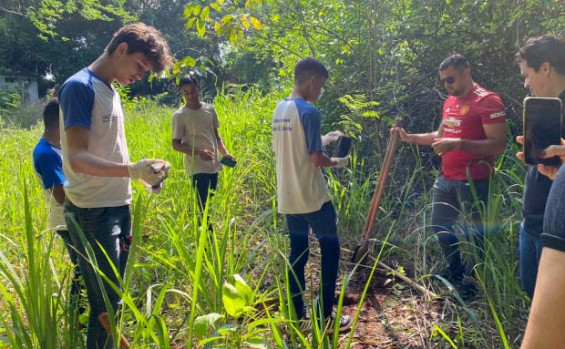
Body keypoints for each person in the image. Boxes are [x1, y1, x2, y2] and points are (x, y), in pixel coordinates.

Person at [59, 23, 172, 348]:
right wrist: (131, 171)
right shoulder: (79, 87)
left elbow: (107, 151)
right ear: (121, 48)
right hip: (93, 212)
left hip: (117, 207)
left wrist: (144, 172)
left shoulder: (110, 89)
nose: (140, 75)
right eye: (139, 66)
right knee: (106, 308)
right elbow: (77, 157)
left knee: (114, 304)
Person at [391, 54, 507, 289]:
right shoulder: (450, 101)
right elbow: (439, 135)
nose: (447, 86)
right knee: (440, 226)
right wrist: (409, 138)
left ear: (466, 71)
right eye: (443, 81)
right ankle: (455, 271)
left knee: (476, 235)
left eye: (451, 79)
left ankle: (475, 282)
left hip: (474, 181)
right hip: (446, 177)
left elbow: (499, 144)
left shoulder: (488, 102)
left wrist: (459, 144)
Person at [272, 57, 351, 332]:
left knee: (298, 253)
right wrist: (337, 162)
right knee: (330, 251)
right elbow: (316, 159)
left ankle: (296, 316)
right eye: (322, 86)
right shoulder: (310, 111)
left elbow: (294, 143)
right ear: (312, 81)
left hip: (288, 196)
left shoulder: (280, 108)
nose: (321, 92)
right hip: (313, 196)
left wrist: (324, 139)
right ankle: (325, 316)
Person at [515, 35, 565, 348]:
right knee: (533, 297)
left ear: (545, 67)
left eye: (527, 75)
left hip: (558, 238)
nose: (525, 84)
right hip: (531, 222)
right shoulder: (541, 110)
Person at [32, 97, 85, 321]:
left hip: (75, 215)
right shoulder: (47, 153)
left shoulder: (59, 147)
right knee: (83, 268)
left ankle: (82, 314)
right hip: (67, 219)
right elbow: (61, 194)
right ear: (61, 122)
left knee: (85, 267)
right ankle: (78, 317)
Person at [171, 74, 234, 219]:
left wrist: (224, 152)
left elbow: (216, 135)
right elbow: (175, 144)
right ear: (182, 93)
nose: (190, 95)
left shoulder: (209, 109)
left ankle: (207, 235)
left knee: (210, 202)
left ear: (198, 89)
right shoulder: (180, 115)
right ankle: (206, 235)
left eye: (193, 91)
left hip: (213, 164)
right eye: (186, 93)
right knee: (203, 205)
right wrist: (199, 153)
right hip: (196, 167)